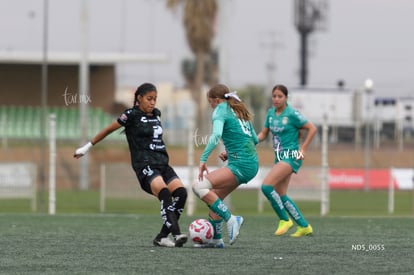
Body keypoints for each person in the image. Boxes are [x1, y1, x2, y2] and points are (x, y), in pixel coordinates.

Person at [73, 83, 188, 248]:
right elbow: (108, 130)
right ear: (139, 98)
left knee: (182, 194)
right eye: (149, 99)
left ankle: (162, 237)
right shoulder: (131, 115)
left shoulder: (156, 114)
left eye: (155, 99)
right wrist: (87, 147)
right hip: (145, 164)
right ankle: (176, 234)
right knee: (164, 192)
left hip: (163, 164)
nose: (152, 102)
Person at [192, 84, 259, 248]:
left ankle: (231, 219)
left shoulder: (221, 109)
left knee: (199, 186)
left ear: (216, 100)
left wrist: (203, 160)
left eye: (210, 103)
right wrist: (230, 153)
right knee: (215, 197)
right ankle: (216, 240)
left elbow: (216, 136)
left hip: (241, 165)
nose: (211, 107)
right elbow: (254, 140)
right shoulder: (238, 110)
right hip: (250, 163)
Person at [257, 84, 317, 237]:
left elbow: (312, 128)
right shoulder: (270, 113)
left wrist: (303, 149)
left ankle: (284, 219)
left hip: (291, 156)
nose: (276, 99)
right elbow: (263, 134)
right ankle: (304, 226)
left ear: (286, 98)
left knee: (266, 186)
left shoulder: (291, 114)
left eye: (280, 96)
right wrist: (251, 141)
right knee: (281, 194)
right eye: (274, 96)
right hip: (279, 157)